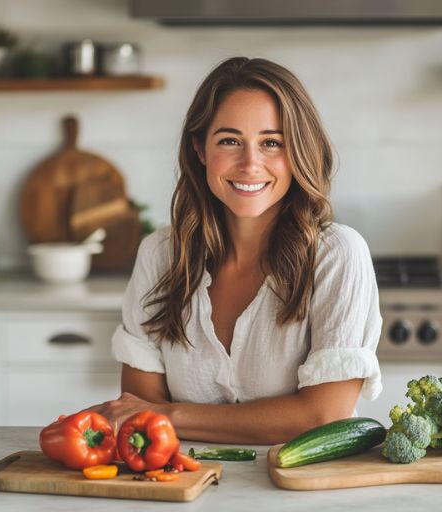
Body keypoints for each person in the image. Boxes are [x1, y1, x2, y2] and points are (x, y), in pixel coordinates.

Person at [89, 56, 382, 445]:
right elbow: (140, 409)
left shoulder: (338, 254)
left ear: (298, 152)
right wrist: (157, 415)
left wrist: (168, 415)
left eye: (271, 143)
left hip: (300, 497)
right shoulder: (160, 255)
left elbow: (322, 416)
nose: (250, 163)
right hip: (178, 490)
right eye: (229, 140)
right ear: (199, 149)